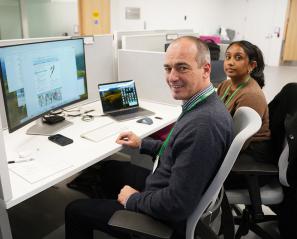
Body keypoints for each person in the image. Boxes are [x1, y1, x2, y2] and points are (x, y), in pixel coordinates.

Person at [65, 36, 234, 239]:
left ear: (206, 70)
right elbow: (178, 148)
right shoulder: (202, 104)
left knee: (75, 210)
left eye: (182, 68)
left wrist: (133, 200)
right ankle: (112, 216)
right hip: (163, 181)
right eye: (168, 68)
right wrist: (143, 143)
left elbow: (177, 204)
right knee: (107, 170)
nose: (172, 77)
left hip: (164, 212)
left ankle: (129, 223)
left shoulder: (204, 125)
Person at [217, 41, 273, 186]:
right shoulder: (226, 84)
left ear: (251, 66)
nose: (230, 62)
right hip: (231, 142)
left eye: (238, 58)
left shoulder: (251, 95)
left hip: (249, 155)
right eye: (228, 57)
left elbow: (238, 143)